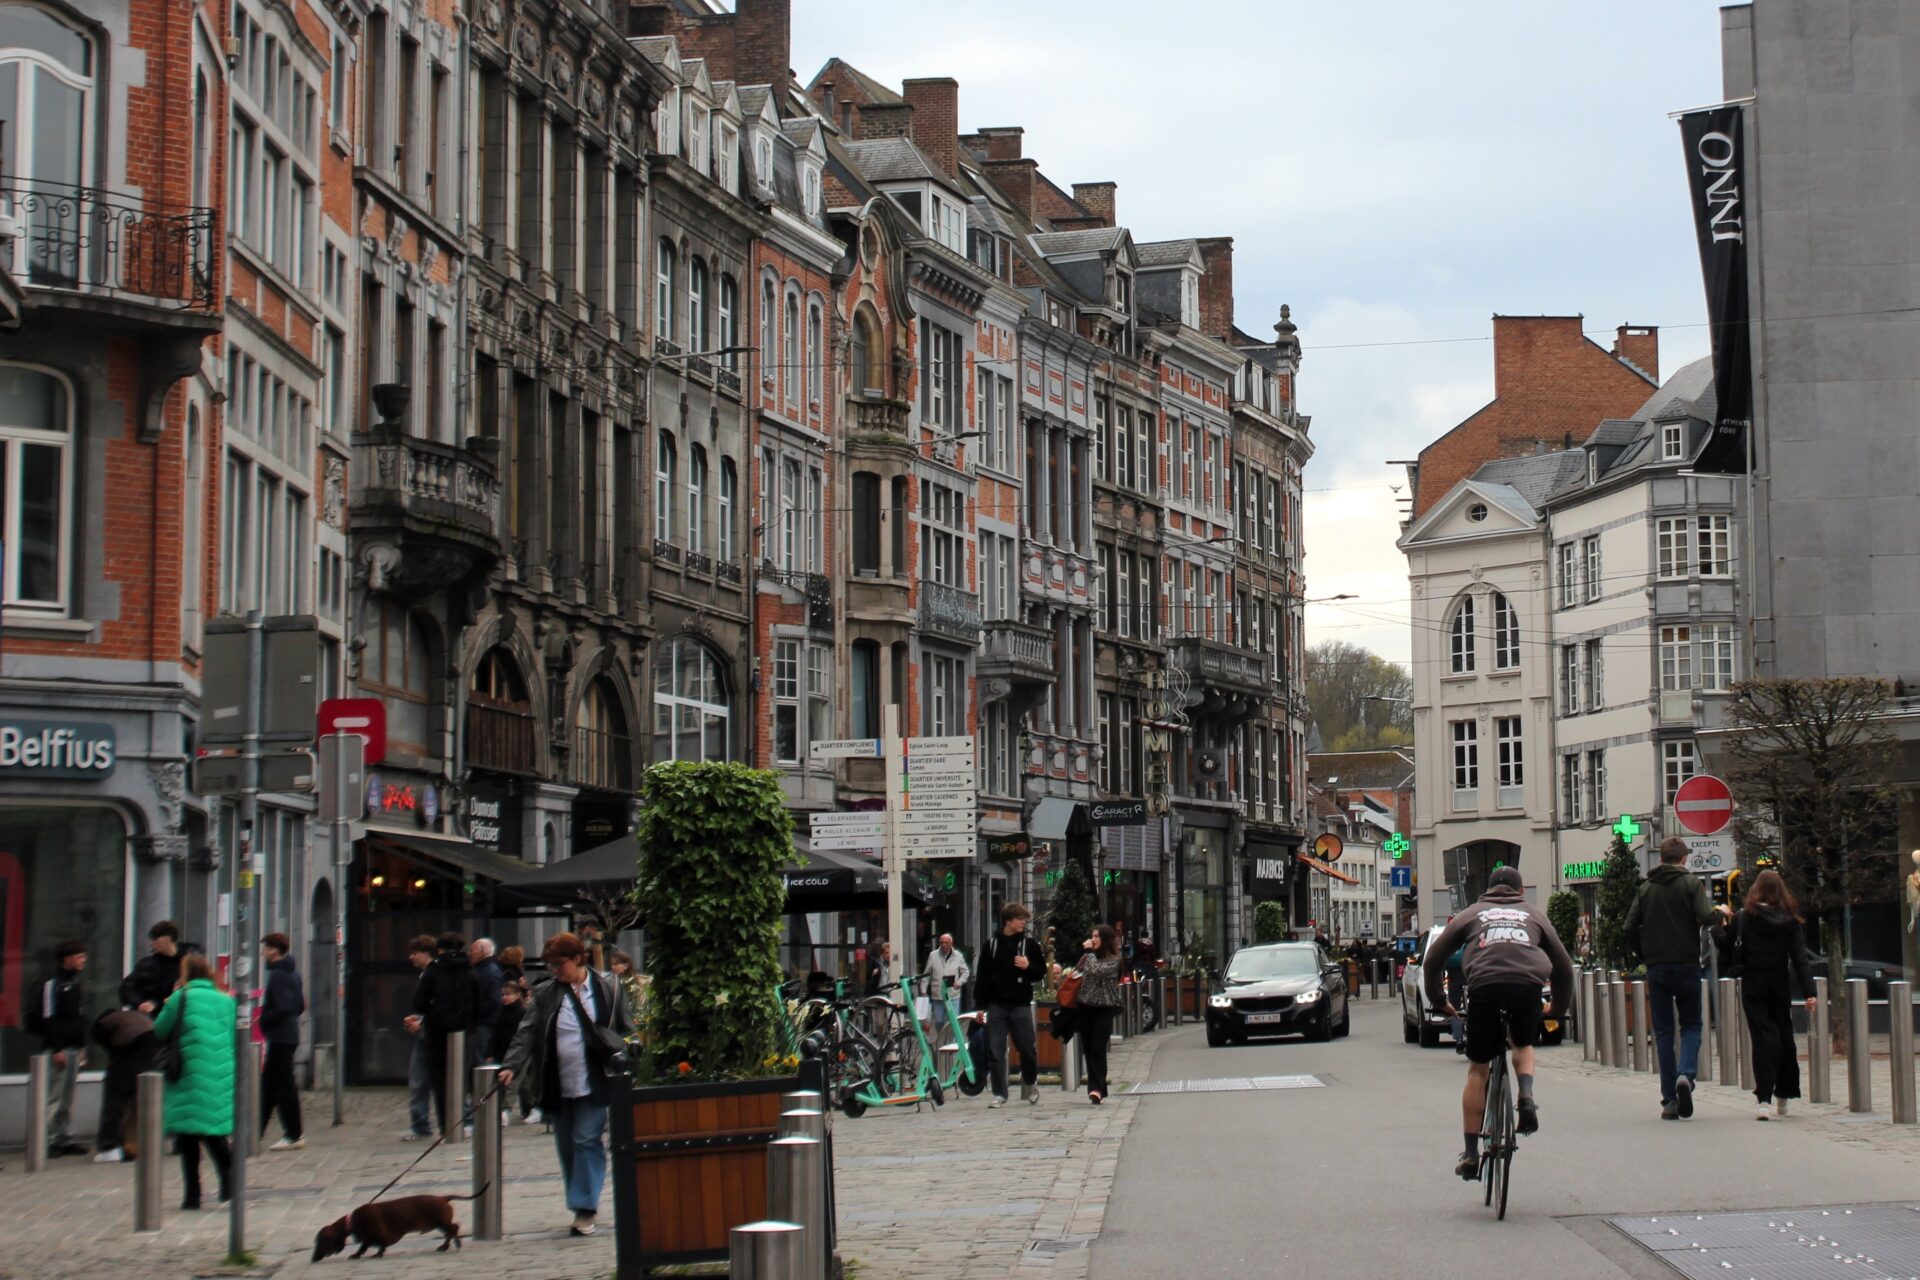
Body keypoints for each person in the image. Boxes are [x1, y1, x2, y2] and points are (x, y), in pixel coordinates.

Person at [1422, 867, 1574, 1181]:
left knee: (1478, 1067)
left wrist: (1439, 1001)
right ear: (1520, 891)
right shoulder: (1534, 915)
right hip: (1526, 986)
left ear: (1487, 890)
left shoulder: (1472, 913)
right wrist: (1557, 1009)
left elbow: (1434, 958)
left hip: (1484, 988)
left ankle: (1471, 1153)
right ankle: (1526, 1095)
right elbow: (1563, 966)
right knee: (1523, 1043)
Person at [500, 932, 633, 1237]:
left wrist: (625, 1053)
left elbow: (627, 1028)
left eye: (560, 964)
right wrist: (511, 1066)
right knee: (566, 1146)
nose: (555, 970)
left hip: (597, 1079)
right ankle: (580, 1204)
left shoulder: (608, 987)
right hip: (557, 1081)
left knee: (586, 1138)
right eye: (550, 965)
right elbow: (527, 1032)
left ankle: (585, 1208)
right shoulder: (547, 993)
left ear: (578, 958)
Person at [1625, 836, 1724, 1120]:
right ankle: (1686, 1075)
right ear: (1684, 859)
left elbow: (1629, 926)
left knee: (1664, 1032)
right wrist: (1720, 913)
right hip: (1687, 964)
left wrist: (1642, 954)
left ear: (1660, 860)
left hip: (1656, 966)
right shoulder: (1691, 884)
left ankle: (1669, 1099)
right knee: (1692, 1025)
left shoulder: (1646, 888)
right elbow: (1705, 917)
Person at [1715, 869, 1815, 1120]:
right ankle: (1784, 1093)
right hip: (1779, 983)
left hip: (1753, 984)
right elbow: (1800, 958)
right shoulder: (1790, 920)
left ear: (1755, 890)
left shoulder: (1743, 918)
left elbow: (1725, 946)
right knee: (1783, 1036)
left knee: (1762, 1039)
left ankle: (1764, 1099)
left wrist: (1719, 925)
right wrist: (1809, 992)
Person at [152, 951, 237, 1210]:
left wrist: (170, 1001)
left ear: (185, 973)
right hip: (220, 1071)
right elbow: (232, 1034)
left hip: (188, 1071)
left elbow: (160, 1029)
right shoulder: (226, 1000)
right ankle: (230, 1183)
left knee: (189, 1138)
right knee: (215, 1133)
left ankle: (192, 1195)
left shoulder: (181, 997)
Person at [974, 902, 1048, 1108]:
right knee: (995, 1050)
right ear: (1008, 921)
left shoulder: (1029, 945)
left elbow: (1041, 971)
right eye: (1019, 919)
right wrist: (980, 1006)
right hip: (996, 1005)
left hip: (1020, 1005)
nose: (1023, 923)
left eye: (1024, 919)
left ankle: (1031, 1083)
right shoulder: (991, 945)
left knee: (1026, 1048)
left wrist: (1028, 966)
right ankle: (1000, 1093)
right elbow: (983, 977)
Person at [26, 940, 89, 1157]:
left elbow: (79, 1017)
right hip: (58, 1049)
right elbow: (48, 1017)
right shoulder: (52, 984)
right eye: (79, 956)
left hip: (73, 1047)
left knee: (67, 1097)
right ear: (66, 959)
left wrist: (81, 1046)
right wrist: (55, 1049)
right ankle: (48, 1140)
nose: (83, 960)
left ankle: (63, 1138)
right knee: (54, 1096)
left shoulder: (75, 983)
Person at [412, 932, 478, 1136]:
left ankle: (446, 1125)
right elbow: (479, 1001)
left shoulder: (433, 971)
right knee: (460, 1077)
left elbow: (419, 1003)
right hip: (463, 1031)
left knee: (440, 1080)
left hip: (437, 1032)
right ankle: (462, 1121)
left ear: (439, 950)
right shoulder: (470, 971)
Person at [1064, 925, 1123, 1104]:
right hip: (1085, 1006)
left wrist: (1089, 952)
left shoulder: (1114, 960)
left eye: (1097, 936)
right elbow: (1078, 971)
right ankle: (1097, 1089)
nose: (1093, 939)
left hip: (1104, 1007)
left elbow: (1097, 971)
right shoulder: (1087, 956)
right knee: (1088, 1049)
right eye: (1092, 935)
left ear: (1105, 939)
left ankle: (1096, 1088)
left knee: (1098, 1047)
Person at [258, 932, 306, 1151]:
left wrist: (263, 1018)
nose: (262, 953)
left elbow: (284, 1007)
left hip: (281, 1036)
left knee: (284, 1086)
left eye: (264, 949)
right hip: (289, 1035)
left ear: (273, 950)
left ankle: (294, 1134)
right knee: (268, 1087)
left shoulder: (278, 975)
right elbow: (300, 1006)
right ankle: (253, 1133)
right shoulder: (293, 974)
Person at [90, 1004, 157, 1162]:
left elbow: (107, 1047)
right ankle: (138, 1145)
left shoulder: (104, 1022)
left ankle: (110, 1147)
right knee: (138, 1101)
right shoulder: (132, 1016)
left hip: (133, 1050)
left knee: (114, 1098)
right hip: (153, 1049)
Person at [400, 935, 437, 1140]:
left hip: (431, 1034)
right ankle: (420, 1123)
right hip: (425, 1032)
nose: (411, 957)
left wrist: (421, 1023)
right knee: (419, 1081)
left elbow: (437, 1005)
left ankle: (423, 1123)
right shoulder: (424, 975)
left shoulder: (433, 974)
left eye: (414, 953)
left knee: (422, 1080)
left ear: (425, 953)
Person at [120, 921, 180, 1014]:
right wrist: (139, 1004)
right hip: (148, 1019)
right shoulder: (146, 964)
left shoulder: (185, 965)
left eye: (155, 939)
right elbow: (126, 988)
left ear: (167, 939)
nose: (151, 943)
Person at [922, 933, 971, 1031]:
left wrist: (959, 983)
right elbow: (927, 974)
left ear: (951, 943)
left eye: (946, 942)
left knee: (953, 1021)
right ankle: (941, 1040)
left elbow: (966, 972)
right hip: (937, 994)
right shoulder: (933, 955)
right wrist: (923, 989)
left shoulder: (958, 955)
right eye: (941, 942)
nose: (943, 944)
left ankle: (951, 1043)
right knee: (939, 1021)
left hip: (953, 994)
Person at [470, 937, 505, 1062]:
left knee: (481, 1059)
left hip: (484, 1023)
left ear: (483, 952)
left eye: (473, 950)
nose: (470, 953)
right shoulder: (485, 970)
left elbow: (494, 999)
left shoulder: (489, 971)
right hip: (483, 1023)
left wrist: (476, 1015)